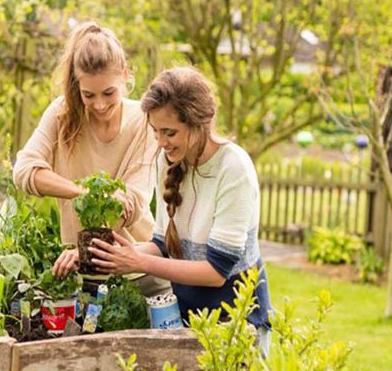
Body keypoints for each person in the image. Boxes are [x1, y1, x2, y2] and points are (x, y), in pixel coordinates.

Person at [86, 67, 272, 350]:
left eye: (169, 132)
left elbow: (216, 272)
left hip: (237, 324)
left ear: (198, 124)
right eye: (156, 132)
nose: (160, 142)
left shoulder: (233, 168)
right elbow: (162, 244)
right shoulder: (169, 161)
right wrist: (112, 255)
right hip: (186, 321)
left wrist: (137, 262)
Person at [12, 21, 169, 297]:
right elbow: (24, 170)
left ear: (125, 74)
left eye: (109, 92)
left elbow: (131, 204)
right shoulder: (62, 115)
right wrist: (82, 193)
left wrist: (84, 248)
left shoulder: (144, 122)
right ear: (77, 84)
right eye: (88, 95)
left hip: (140, 274)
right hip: (84, 276)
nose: (99, 105)